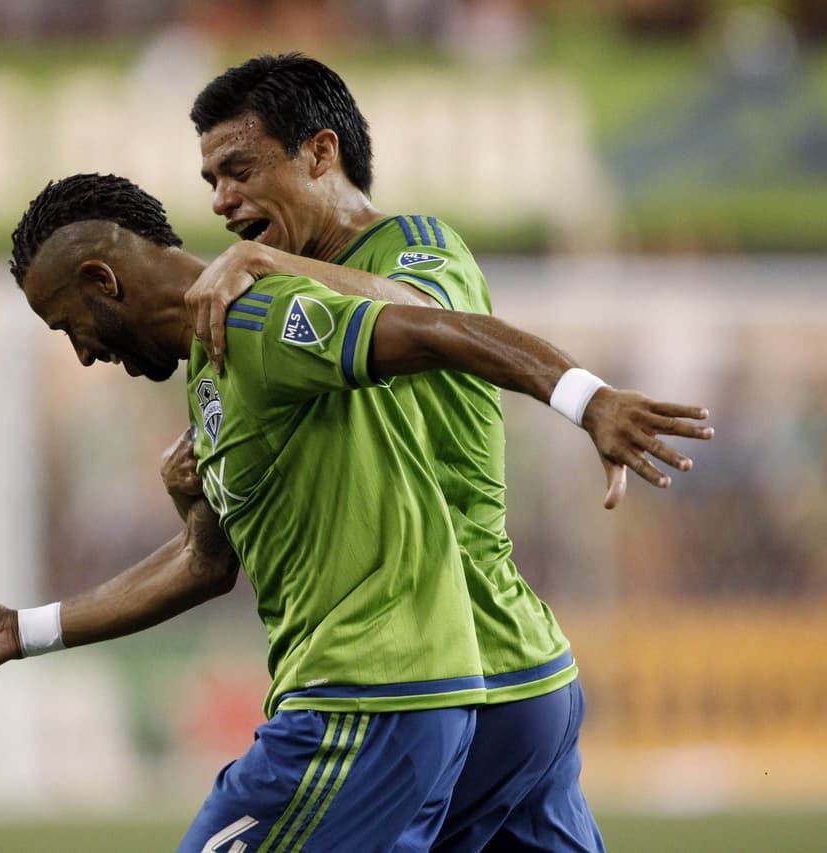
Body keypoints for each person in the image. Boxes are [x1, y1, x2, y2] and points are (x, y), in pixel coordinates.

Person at [0, 173, 712, 852]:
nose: (82, 351)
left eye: (71, 325)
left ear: (105, 280)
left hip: (364, 702)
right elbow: (208, 566)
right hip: (425, 697)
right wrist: (25, 628)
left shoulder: (260, 316)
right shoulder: (208, 371)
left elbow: (435, 329)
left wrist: (587, 397)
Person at [184, 52, 663, 850]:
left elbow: (426, 314)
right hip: (518, 674)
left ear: (321, 152)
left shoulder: (415, 245)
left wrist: (584, 398)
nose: (223, 199)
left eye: (238, 169)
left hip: (450, 676)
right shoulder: (297, 310)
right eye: (211, 182)